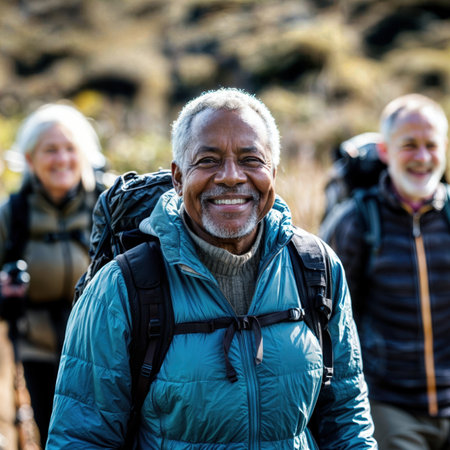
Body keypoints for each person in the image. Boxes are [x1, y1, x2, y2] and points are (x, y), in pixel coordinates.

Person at [46, 88, 376, 449]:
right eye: (208, 160)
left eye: (251, 159)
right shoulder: (121, 289)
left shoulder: (316, 268)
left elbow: (347, 417)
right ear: (177, 177)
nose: (231, 176)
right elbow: (80, 438)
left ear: (273, 173)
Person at [320, 93, 450, 449]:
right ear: (385, 151)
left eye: (431, 145)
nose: (422, 157)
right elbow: (329, 322)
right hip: (389, 406)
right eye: (409, 145)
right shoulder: (355, 222)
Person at [0, 102, 105, 447]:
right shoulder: (12, 215)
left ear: (85, 154)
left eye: (70, 148)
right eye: (50, 150)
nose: (62, 159)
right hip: (37, 354)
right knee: (53, 438)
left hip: (103, 350)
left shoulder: (109, 203)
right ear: (30, 160)